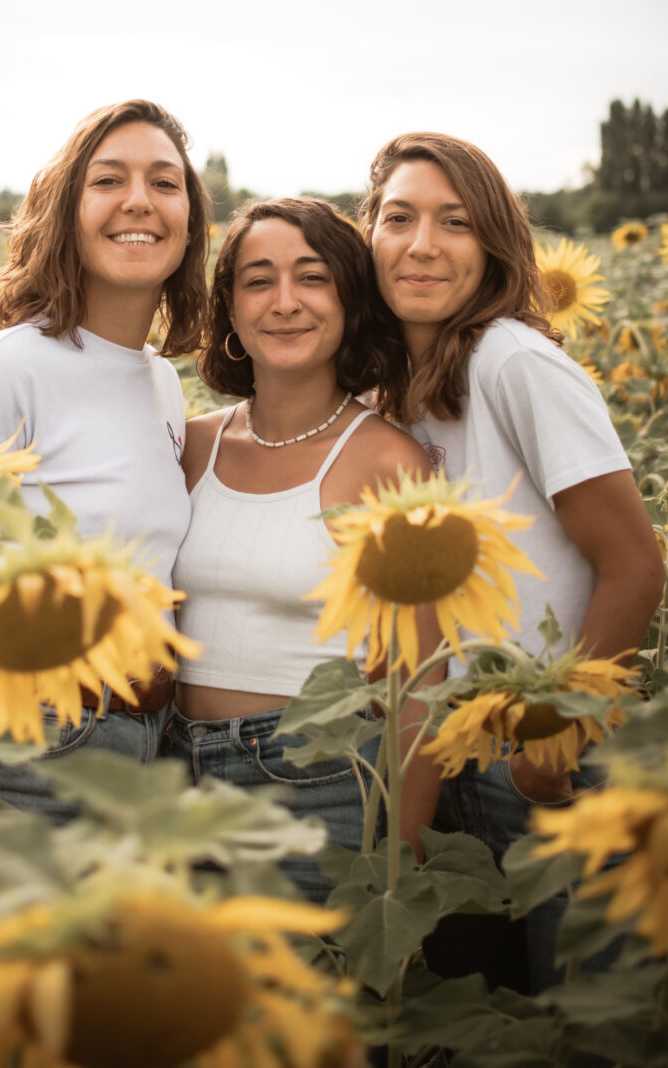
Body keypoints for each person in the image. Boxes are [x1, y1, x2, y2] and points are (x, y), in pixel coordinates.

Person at [362, 131, 663, 990]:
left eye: (454, 221)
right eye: (399, 217)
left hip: (546, 755)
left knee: (582, 1019)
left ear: (493, 244)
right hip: (440, 751)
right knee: (489, 1024)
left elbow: (636, 565)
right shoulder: (388, 386)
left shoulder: (515, 361)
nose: (423, 244)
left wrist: (558, 735)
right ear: (369, 237)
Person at [0, 99, 211, 821]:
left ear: (191, 222)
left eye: (165, 183)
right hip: (23, 749)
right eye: (109, 180)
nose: (139, 200)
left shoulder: (161, 384)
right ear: (65, 210)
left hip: (141, 748)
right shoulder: (9, 366)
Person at [163, 198, 436, 904]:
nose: (285, 302)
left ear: (349, 298)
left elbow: (419, 681)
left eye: (311, 278)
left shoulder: (388, 462)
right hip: (166, 776)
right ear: (229, 307)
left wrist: (398, 859)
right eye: (258, 280)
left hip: (312, 784)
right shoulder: (190, 445)